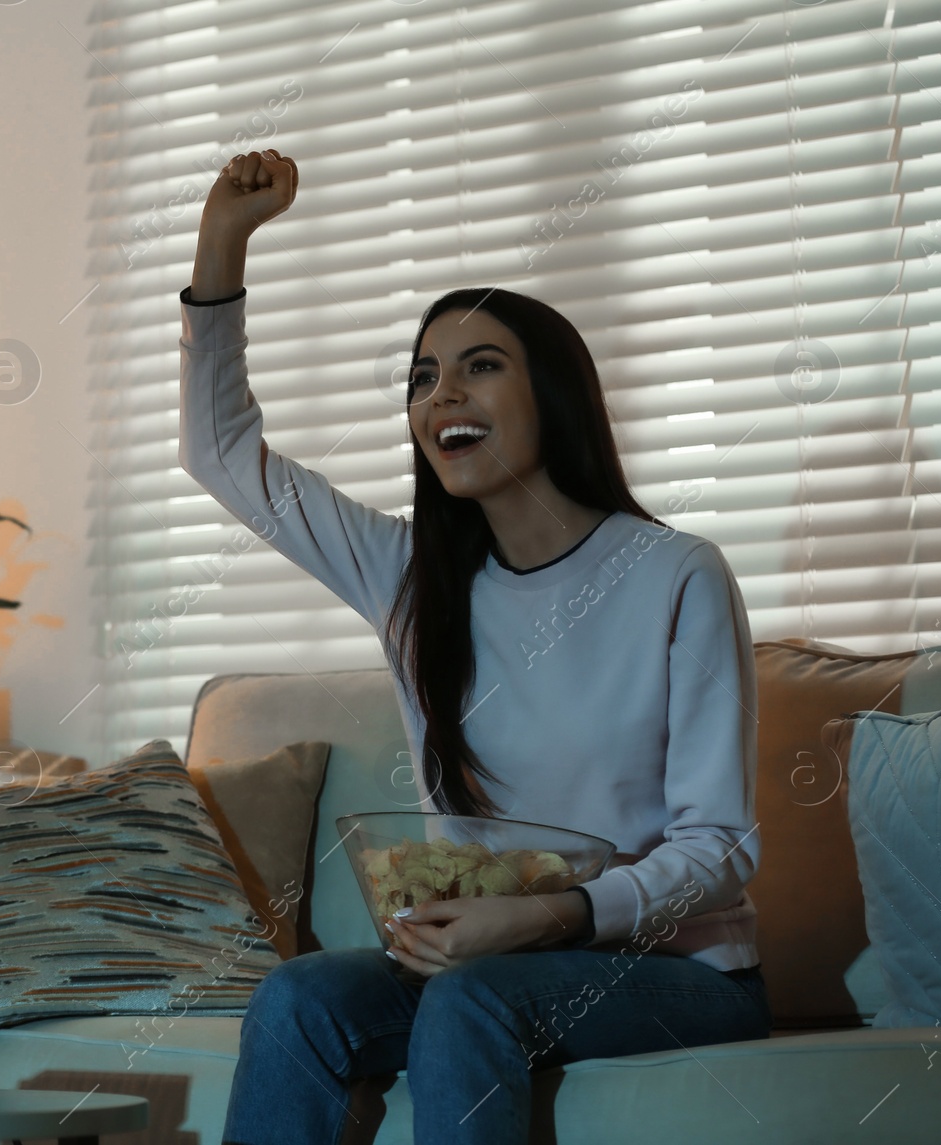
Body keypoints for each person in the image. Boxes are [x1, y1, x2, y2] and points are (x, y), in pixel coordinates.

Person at [178, 148, 772, 1145]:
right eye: (423, 378)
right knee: (298, 998)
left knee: (467, 1001)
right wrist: (221, 246)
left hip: (675, 972)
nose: (441, 394)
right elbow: (221, 454)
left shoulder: (677, 574)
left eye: (479, 366)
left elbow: (720, 846)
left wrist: (549, 916)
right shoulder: (410, 579)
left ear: (555, 394)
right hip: (482, 965)